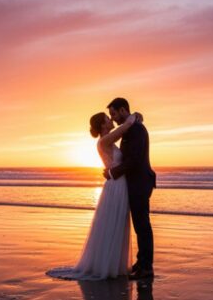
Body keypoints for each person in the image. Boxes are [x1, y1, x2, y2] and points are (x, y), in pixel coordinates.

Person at [47, 109, 143, 280]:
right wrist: (134, 115)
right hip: (116, 186)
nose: (111, 119)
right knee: (114, 223)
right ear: (103, 125)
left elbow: (124, 131)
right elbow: (127, 125)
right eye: (108, 118)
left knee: (117, 224)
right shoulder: (105, 140)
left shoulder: (108, 139)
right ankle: (107, 267)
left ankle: (113, 265)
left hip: (118, 184)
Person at [103, 98, 156, 279]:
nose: (113, 118)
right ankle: (141, 262)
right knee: (139, 225)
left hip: (140, 183)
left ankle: (146, 267)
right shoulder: (129, 128)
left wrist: (112, 173)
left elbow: (133, 160)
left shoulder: (136, 130)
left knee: (142, 225)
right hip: (135, 183)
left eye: (114, 114)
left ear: (123, 110)